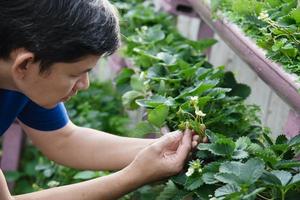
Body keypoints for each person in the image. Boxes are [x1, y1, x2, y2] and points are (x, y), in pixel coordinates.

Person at [0, 0, 201, 199]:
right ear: (25, 65)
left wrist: (168, 147)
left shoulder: (23, 79)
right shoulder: (29, 76)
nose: (84, 84)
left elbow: (62, 140)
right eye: (74, 75)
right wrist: (134, 176)